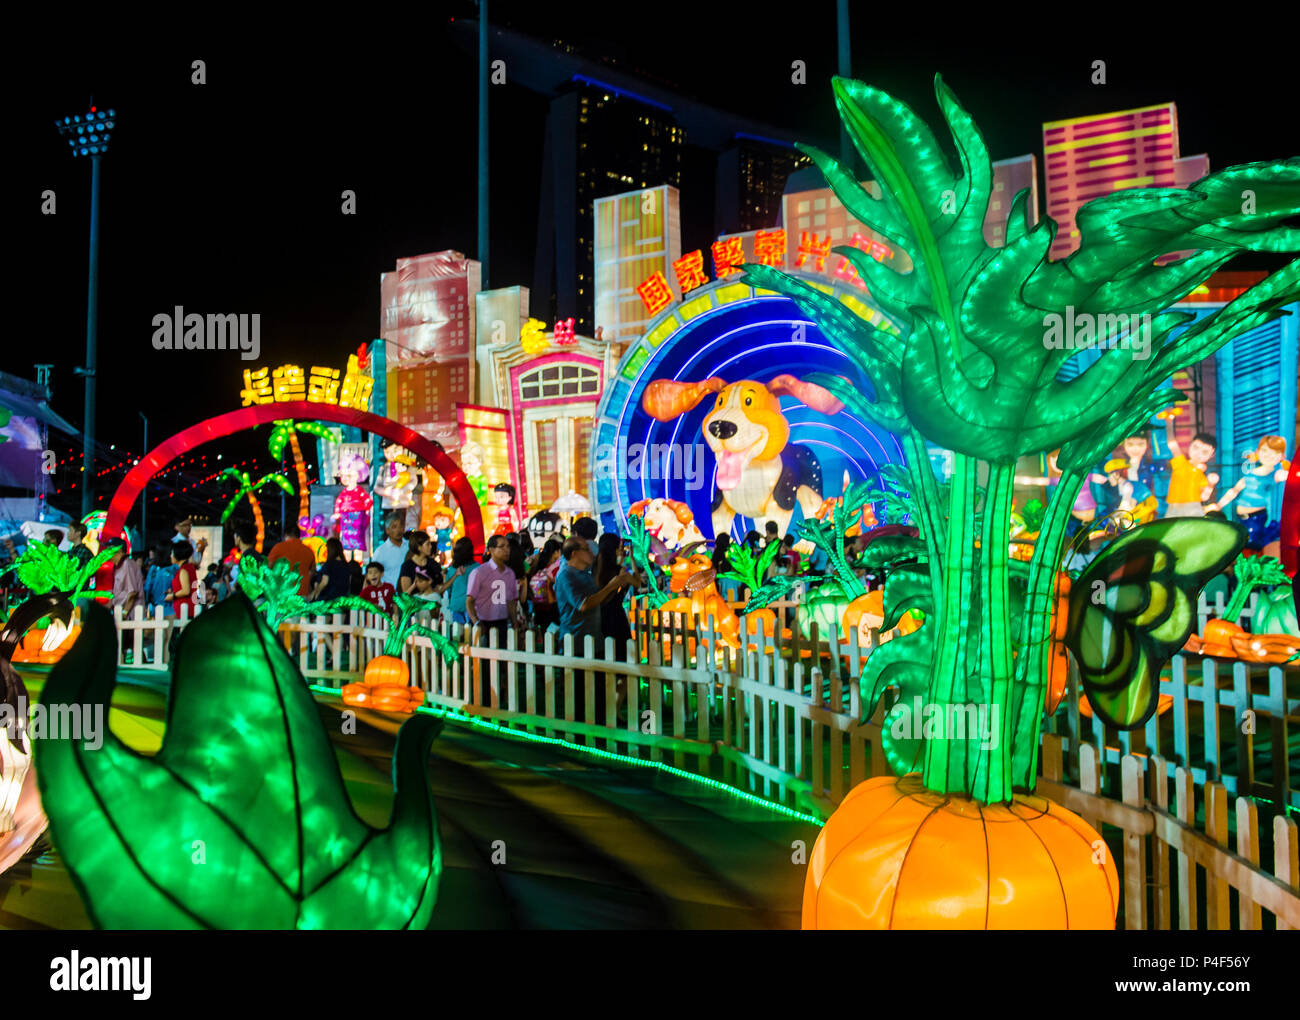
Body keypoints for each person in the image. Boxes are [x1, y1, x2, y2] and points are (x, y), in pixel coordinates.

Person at [555, 537, 632, 721]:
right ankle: (579, 738)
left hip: (593, 638)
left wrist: (620, 563)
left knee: (595, 692)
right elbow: (583, 604)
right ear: (574, 553)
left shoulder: (584, 573)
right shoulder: (566, 575)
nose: (591, 553)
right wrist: (612, 585)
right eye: (586, 549)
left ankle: (594, 731)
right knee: (579, 695)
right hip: (575, 641)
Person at [1207, 435, 1289, 554]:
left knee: (1252, 547)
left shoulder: (1277, 474)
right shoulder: (1249, 474)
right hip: (1241, 518)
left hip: (1256, 518)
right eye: (1265, 450)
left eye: (1274, 452)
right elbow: (1234, 491)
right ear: (1258, 451)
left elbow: (1291, 475)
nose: (1268, 455)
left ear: (1281, 456)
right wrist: (1218, 506)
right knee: (1243, 546)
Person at [466, 534, 523, 647]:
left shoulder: (510, 574)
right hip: (483, 622)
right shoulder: (479, 572)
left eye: (508, 546)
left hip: (502, 622)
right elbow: (469, 600)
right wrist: (476, 621)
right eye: (502, 547)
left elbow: (511, 602)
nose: (506, 550)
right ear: (491, 550)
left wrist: (514, 622)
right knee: (484, 660)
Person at [1164, 417, 1219, 518]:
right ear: (1190, 445)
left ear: (1212, 455)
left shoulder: (1201, 476)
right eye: (1196, 447)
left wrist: (1211, 484)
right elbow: (1172, 444)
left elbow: (1204, 497)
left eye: (1205, 452)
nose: (1198, 453)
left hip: (1193, 507)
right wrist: (1169, 422)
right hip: (1174, 507)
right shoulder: (1180, 463)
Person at [594, 533, 633, 658]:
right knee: (621, 655)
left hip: (598, 616)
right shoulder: (620, 571)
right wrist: (628, 560)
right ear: (614, 549)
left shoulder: (594, 568)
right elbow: (637, 581)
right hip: (616, 617)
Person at [267, 522, 318, 598]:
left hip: (283, 595)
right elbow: (313, 571)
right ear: (299, 535)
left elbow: (267, 569)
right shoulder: (308, 551)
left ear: (285, 535)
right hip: (302, 594)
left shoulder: (278, 548)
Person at [527, 539, 562, 632]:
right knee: (553, 632)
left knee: (543, 632)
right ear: (556, 552)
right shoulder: (556, 567)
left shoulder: (539, 564)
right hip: (551, 605)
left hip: (538, 605)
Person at [441, 538, 475, 626]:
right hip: (472, 607)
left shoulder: (452, 569)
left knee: (458, 634)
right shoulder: (477, 568)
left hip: (455, 605)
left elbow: (448, 589)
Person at [106, 538, 143, 617]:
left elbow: (132, 593)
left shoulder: (127, 564)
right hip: (121, 613)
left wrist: (124, 613)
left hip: (131, 616)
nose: (106, 552)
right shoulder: (118, 566)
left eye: (109, 549)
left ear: (119, 551)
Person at [398, 531, 443, 595]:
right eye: (427, 544)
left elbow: (439, 586)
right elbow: (405, 594)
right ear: (419, 547)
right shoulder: (407, 566)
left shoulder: (433, 563)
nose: (430, 546)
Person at [164, 541, 200, 616]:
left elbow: (186, 591)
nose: (171, 556)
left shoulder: (183, 570)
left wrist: (172, 596)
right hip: (188, 609)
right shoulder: (190, 567)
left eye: (172, 553)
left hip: (185, 610)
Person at [311, 538, 352, 603]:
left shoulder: (329, 564)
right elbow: (349, 583)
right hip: (343, 599)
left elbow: (324, 582)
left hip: (329, 599)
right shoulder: (346, 565)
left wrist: (315, 594)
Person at [372, 511, 408, 580]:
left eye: (401, 526)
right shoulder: (380, 552)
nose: (398, 530)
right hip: (390, 590)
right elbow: (374, 574)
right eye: (394, 527)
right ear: (387, 530)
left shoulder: (410, 546)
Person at [144, 543, 178, 613]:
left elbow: (147, 589)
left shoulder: (153, 569)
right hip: (172, 608)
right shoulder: (175, 568)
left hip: (155, 608)